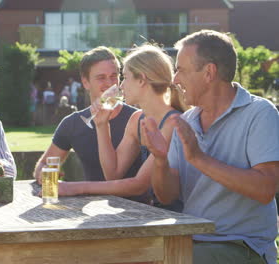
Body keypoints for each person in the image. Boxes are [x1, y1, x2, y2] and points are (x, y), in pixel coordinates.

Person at [141, 30, 279, 263]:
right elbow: (167, 195)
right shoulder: (185, 121)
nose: (175, 80)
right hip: (190, 240)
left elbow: (266, 189)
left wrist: (198, 158)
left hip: (242, 246)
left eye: (181, 70)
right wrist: (160, 160)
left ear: (209, 72)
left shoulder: (260, 113)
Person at [58, 45, 188, 209]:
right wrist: (101, 125)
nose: (120, 86)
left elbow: (139, 184)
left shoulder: (173, 122)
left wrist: (76, 187)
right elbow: (113, 175)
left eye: (124, 77)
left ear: (141, 80)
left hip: (180, 219)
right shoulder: (136, 119)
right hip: (153, 215)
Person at [34, 46, 142, 184]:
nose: (109, 83)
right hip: (90, 204)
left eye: (114, 76)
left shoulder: (137, 118)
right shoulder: (72, 123)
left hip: (133, 205)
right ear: (85, 82)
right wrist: (43, 173)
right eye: (101, 78)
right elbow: (43, 165)